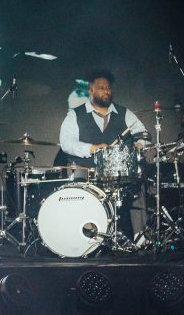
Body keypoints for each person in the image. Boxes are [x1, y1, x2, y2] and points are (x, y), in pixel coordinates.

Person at [55, 69, 147, 238]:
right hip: (86, 171)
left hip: (118, 174)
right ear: (91, 90)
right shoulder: (75, 114)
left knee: (138, 185)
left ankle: (140, 237)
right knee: (79, 192)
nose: (107, 91)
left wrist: (139, 144)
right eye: (102, 88)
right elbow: (66, 143)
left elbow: (143, 134)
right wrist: (92, 148)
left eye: (109, 88)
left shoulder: (124, 113)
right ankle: (82, 236)